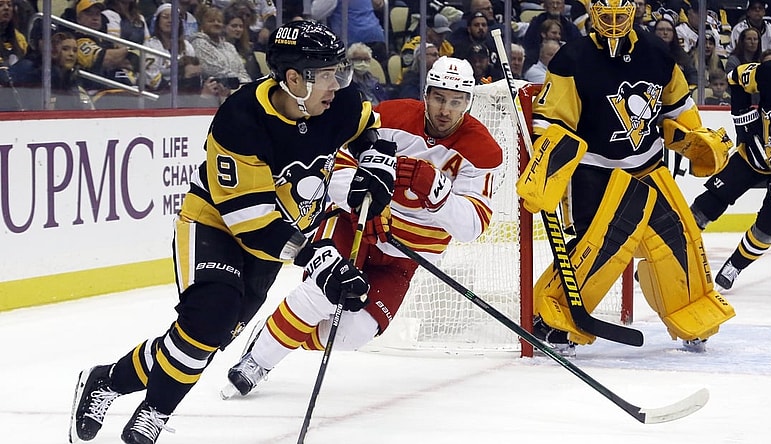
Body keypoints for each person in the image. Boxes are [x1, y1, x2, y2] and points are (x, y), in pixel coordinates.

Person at [68, 20, 397, 444]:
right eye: (329, 74)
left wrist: (376, 161)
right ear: (294, 78)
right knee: (210, 319)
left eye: (339, 71)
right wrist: (317, 258)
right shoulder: (241, 119)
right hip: (217, 226)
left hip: (276, 242)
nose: (339, 84)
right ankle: (155, 411)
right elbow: (253, 222)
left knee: (201, 340)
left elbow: (369, 130)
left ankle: (107, 381)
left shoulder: (337, 102)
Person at [221, 56, 503, 399]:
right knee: (323, 292)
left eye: (456, 101)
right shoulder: (390, 116)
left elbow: (472, 226)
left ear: (468, 102)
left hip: (405, 257)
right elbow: (336, 166)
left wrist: (434, 187)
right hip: (354, 226)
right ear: (426, 94)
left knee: (353, 332)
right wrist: (365, 206)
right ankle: (259, 360)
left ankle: (276, 335)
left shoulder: (484, 150)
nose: (446, 109)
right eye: (439, 98)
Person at [516, 0, 735, 355]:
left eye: (621, 15)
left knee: (680, 237)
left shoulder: (656, 52)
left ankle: (691, 312)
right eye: (608, 15)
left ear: (634, 11)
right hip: (594, 170)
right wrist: (549, 164)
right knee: (601, 247)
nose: (615, 23)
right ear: (592, 11)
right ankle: (553, 317)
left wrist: (696, 138)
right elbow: (555, 119)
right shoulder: (572, 58)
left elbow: (677, 107)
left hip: (648, 166)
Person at [690, 59, 771, 291]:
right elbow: (735, 77)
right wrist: (743, 121)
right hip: (753, 153)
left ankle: (734, 266)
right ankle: (671, 252)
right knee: (709, 203)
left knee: (770, 226)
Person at [189, 6, 251, 100]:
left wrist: (247, 84)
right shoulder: (198, 43)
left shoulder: (229, 46)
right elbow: (214, 70)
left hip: (238, 91)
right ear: (202, 24)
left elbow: (242, 71)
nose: (216, 23)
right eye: (211, 21)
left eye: (219, 21)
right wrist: (242, 84)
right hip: (213, 96)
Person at [144, 3, 194, 91]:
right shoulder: (150, 45)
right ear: (157, 21)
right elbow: (151, 77)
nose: (170, 20)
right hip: (159, 94)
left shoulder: (187, 46)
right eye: (165, 17)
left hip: (185, 92)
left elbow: (193, 72)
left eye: (174, 18)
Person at [653, 18, 699, 88]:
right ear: (654, 32)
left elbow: (692, 75)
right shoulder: (648, 52)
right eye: (661, 29)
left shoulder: (681, 54)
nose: (665, 32)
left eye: (669, 30)